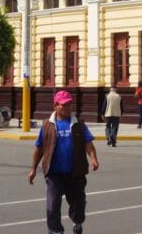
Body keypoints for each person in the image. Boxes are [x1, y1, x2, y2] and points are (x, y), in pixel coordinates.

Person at [28, 89, 99, 234]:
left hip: (75, 173)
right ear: (55, 105)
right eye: (63, 105)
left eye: (69, 105)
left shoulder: (78, 123)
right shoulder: (47, 125)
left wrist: (93, 158)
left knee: (78, 206)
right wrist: (33, 169)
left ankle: (77, 222)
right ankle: (55, 231)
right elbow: (39, 148)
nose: (67, 108)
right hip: (54, 174)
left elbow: (88, 143)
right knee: (52, 205)